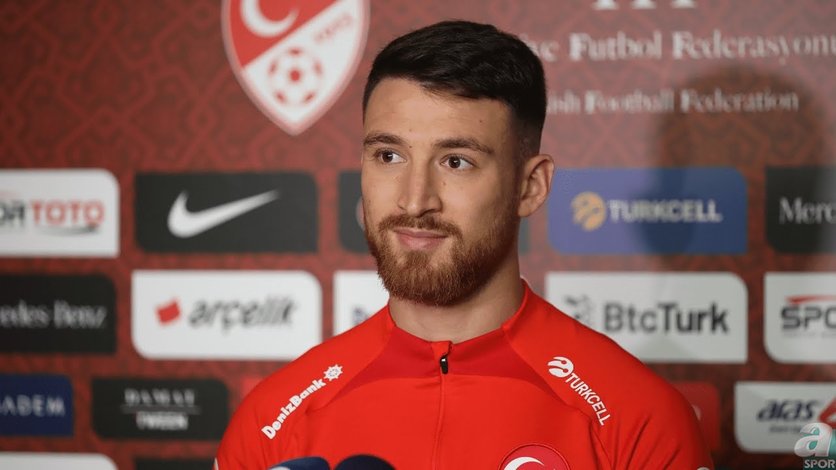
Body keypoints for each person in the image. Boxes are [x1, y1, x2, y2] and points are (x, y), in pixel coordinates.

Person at [215, 20, 714, 470]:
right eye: (389, 156)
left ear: (530, 186)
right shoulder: (271, 423)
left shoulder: (640, 421)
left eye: (456, 162)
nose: (415, 200)